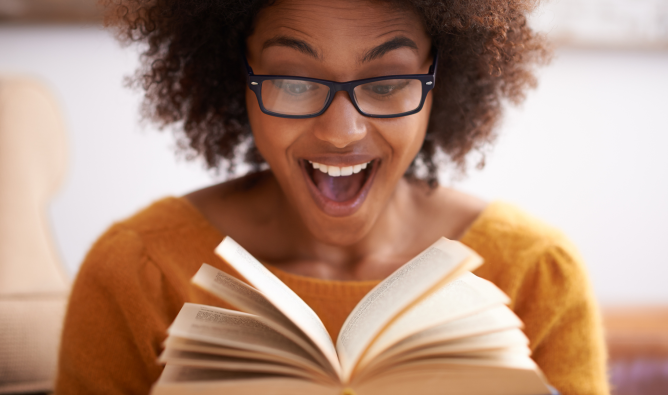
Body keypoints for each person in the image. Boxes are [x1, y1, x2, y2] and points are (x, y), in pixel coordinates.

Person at [55, 0, 609, 394]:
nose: (341, 131)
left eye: (387, 82)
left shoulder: (535, 271)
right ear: (237, 76)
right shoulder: (137, 270)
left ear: (440, 77)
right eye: (295, 81)